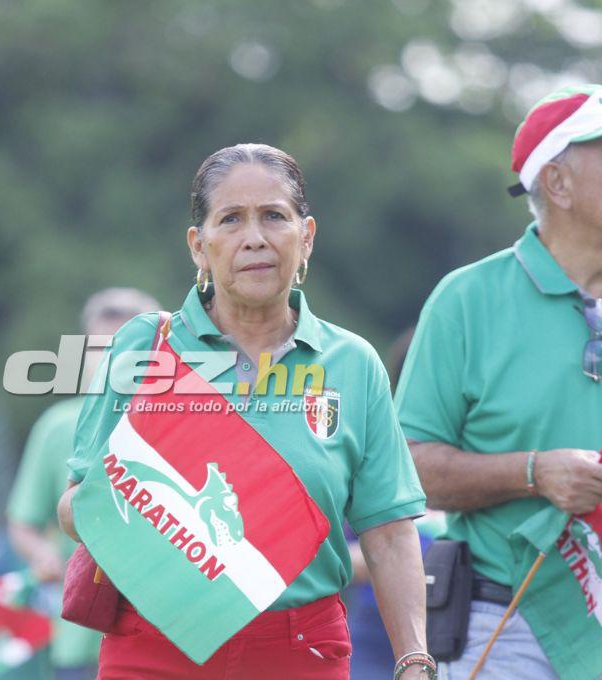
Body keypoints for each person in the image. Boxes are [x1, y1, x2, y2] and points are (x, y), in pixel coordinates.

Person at [58, 143, 431, 679]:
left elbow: (391, 533)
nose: (254, 237)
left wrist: (414, 659)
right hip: (155, 647)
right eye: (230, 219)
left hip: (302, 650)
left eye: (274, 216)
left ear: (306, 238)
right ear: (199, 246)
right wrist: (152, 508)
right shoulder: (144, 347)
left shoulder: (354, 363)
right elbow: (75, 506)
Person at [396, 84, 602, 678]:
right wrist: (535, 474)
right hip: (509, 631)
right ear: (557, 183)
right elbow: (405, 471)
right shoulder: (465, 301)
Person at [7, 287, 161, 680]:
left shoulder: (179, 422)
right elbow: (23, 522)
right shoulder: (57, 426)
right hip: (82, 631)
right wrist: (44, 555)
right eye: (101, 350)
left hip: (165, 630)